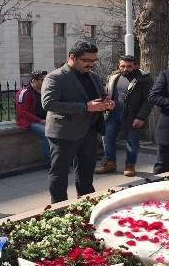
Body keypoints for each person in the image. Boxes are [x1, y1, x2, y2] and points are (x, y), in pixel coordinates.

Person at [41, 40, 114, 203]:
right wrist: (85, 107)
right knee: (59, 175)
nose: (91, 65)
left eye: (94, 61)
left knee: (86, 174)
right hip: (63, 134)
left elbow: (99, 97)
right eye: (87, 61)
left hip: (90, 131)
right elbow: (49, 104)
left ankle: (86, 204)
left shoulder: (94, 77)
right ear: (72, 57)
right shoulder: (56, 77)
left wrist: (106, 103)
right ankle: (59, 208)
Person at [94, 55, 154, 177]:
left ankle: (130, 165)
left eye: (129, 66)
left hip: (133, 116)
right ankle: (110, 162)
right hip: (113, 114)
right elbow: (107, 93)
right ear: (118, 65)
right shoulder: (113, 76)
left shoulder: (144, 79)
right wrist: (106, 102)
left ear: (136, 66)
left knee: (132, 141)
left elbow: (148, 101)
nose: (125, 69)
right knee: (107, 138)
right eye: (122, 66)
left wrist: (141, 117)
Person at [14, 70, 50, 161]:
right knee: (47, 133)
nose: (46, 82)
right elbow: (22, 112)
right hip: (30, 122)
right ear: (34, 81)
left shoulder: (46, 91)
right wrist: (40, 121)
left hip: (46, 119)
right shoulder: (25, 92)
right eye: (43, 80)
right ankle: (53, 163)